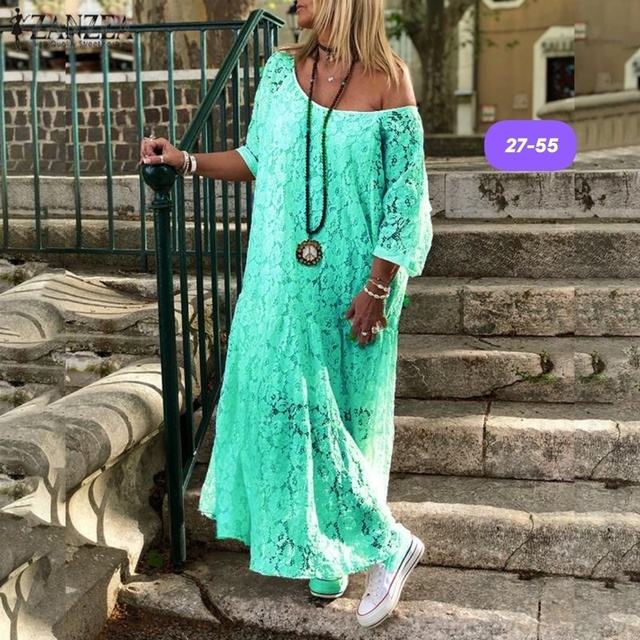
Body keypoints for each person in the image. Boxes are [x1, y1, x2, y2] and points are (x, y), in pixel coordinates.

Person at [139, 0, 433, 628]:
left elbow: (406, 198)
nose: (293, 2)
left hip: (354, 283)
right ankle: (363, 544)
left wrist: (378, 287)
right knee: (287, 410)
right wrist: (185, 161)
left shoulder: (390, 79)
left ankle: (357, 550)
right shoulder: (279, 73)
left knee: (343, 419)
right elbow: (257, 157)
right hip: (276, 282)